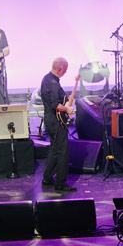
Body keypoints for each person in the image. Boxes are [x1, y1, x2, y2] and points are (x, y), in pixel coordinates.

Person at [40, 57, 78, 192]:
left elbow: (63, 100)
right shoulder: (53, 83)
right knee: (63, 151)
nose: (65, 73)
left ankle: (47, 178)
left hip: (49, 121)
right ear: (59, 69)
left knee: (54, 150)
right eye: (65, 70)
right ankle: (60, 183)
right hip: (55, 122)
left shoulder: (47, 79)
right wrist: (67, 109)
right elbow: (55, 104)